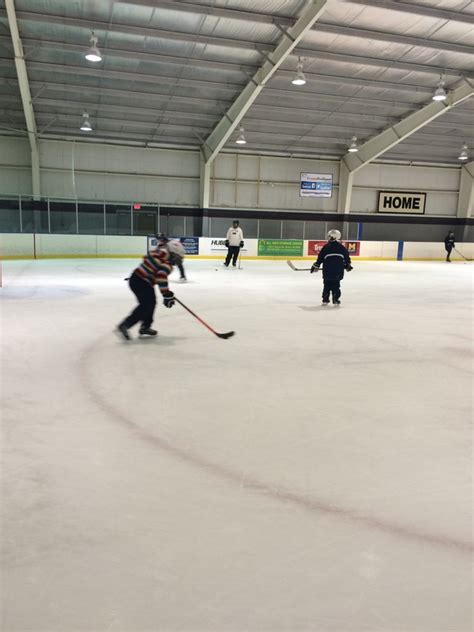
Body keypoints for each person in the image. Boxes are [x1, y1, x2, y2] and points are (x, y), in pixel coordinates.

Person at [116, 238, 185, 340]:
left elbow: (153, 270)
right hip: (143, 283)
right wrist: (166, 294)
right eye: (177, 257)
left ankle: (145, 326)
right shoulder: (167, 264)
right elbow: (161, 276)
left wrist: (166, 293)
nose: (178, 260)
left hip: (135, 279)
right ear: (172, 253)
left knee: (150, 303)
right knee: (146, 305)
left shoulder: (158, 253)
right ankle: (126, 324)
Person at [311, 229, 352, 305]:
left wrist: (316, 265)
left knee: (327, 284)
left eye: (329, 236)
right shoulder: (342, 247)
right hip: (338, 271)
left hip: (327, 271)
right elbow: (346, 257)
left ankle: (325, 299)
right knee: (336, 285)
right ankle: (336, 299)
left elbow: (320, 258)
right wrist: (348, 265)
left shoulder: (326, 247)